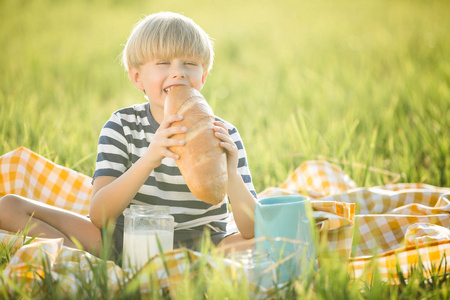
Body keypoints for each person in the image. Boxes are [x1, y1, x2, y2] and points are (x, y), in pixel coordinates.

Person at [0, 12, 257, 260]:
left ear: (203, 76)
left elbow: (252, 228)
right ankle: (90, 261)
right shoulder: (122, 125)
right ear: (138, 77)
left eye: (189, 63)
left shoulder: (224, 134)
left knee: (277, 237)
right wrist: (149, 159)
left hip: (205, 245)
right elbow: (100, 216)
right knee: (9, 207)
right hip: (126, 241)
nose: (178, 72)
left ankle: (172, 266)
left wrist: (231, 174)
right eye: (163, 62)